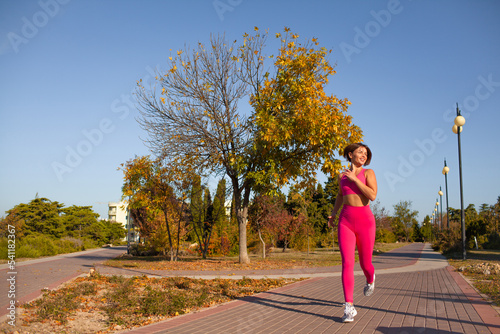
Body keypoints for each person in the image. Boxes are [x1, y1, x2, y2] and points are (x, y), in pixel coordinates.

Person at [328, 142, 377, 323]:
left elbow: (372, 195)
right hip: (346, 221)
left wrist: (355, 179)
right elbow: (340, 196)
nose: (363, 155)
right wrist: (333, 214)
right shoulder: (342, 176)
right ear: (350, 155)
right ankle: (349, 307)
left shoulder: (368, 173)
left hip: (365, 222)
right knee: (347, 263)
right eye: (360, 152)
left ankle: (370, 278)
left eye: (365, 153)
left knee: (365, 263)